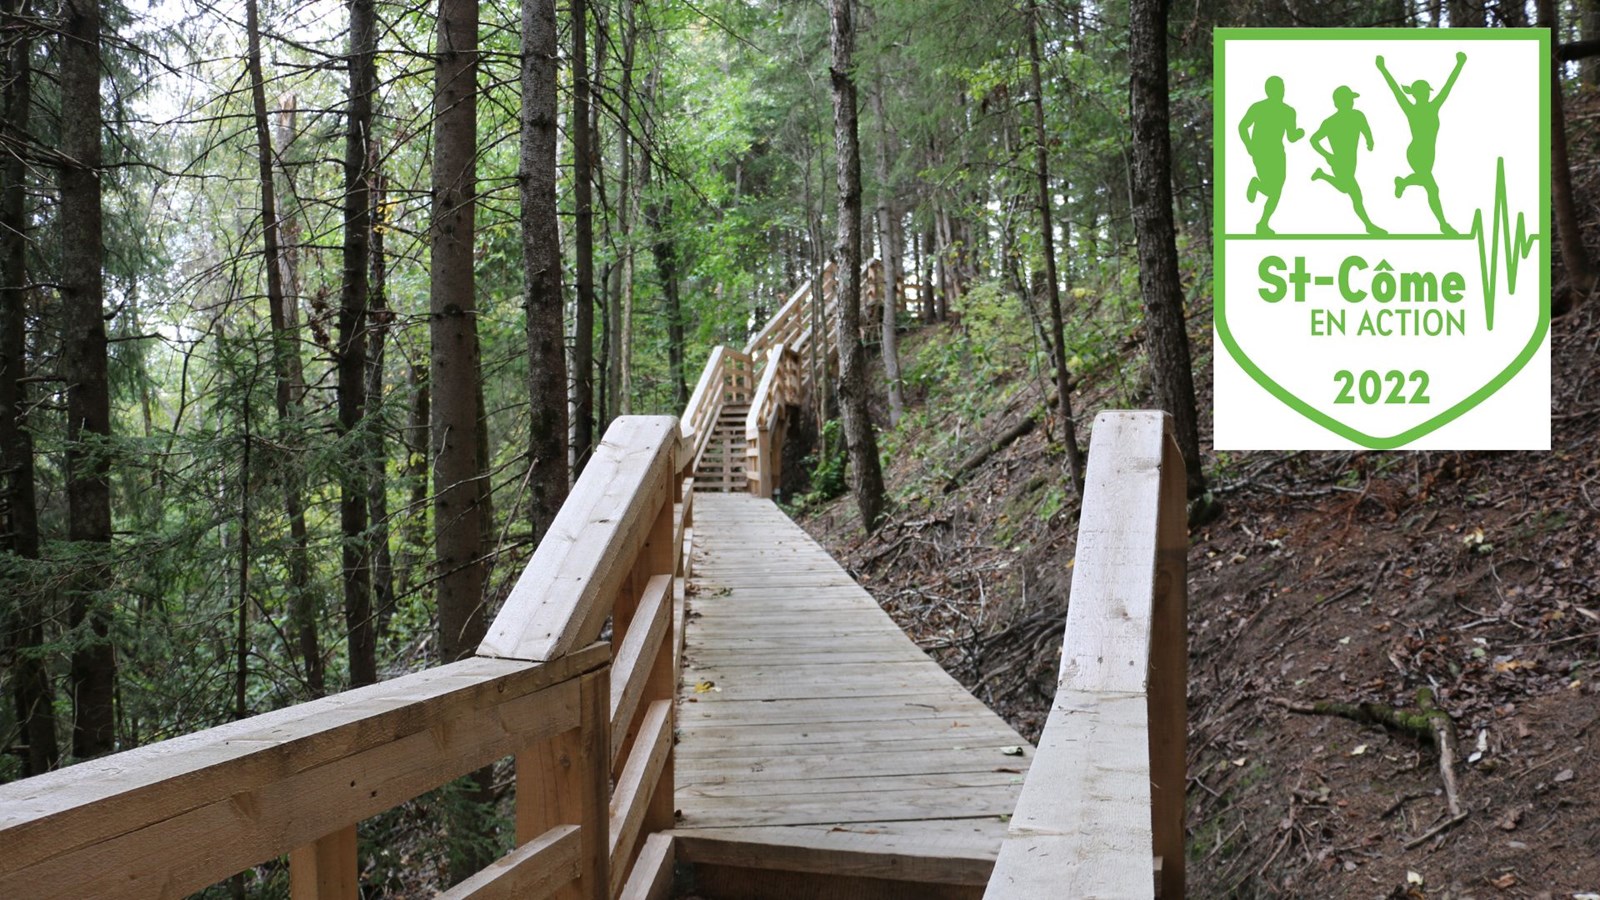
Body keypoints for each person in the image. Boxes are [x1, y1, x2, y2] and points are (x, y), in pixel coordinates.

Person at [1377, 51, 1467, 235]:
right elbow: (1395, 90)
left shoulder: (1433, 107)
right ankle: (1444, 225)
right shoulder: (1411, 109)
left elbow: (1448, 87)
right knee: (1432, 188)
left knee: (1426, 183)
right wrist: (1383, 69)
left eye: (1427, 92)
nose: (1426, 94)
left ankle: (1403, 182)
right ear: (1417, 94)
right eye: (1424, 91)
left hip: (1428, 153)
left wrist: (1459, 65)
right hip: (1417, 152)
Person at [1310, 85, 1384, 234]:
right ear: (1339, 103)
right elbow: (1313, 140)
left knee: (1345, 188)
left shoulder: (1358, 115)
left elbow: (1365, 129)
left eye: (1351, 99)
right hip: (1338, 161)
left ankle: (1321, 175)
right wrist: (1328, 155)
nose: (1351, 102)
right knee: (1355, 194)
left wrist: (1370, 141)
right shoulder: (1330, 122)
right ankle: (1369, 225)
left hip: (1351, 161)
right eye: (1348, 99)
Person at [1238, 75, 1304, 235]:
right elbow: (1243, 126)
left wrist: (1299, 133)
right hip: (1262, 150)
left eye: (1281, 88)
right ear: (1268, 91)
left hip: (1277, 152)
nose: (1280, 91)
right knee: (1273, 190)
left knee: (1277, 190)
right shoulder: (1258, 107)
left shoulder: (1288, 111)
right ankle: (1257, 188)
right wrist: (1249, 146)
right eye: (1276, 89)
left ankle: (1262, 224)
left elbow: (1291, 136)